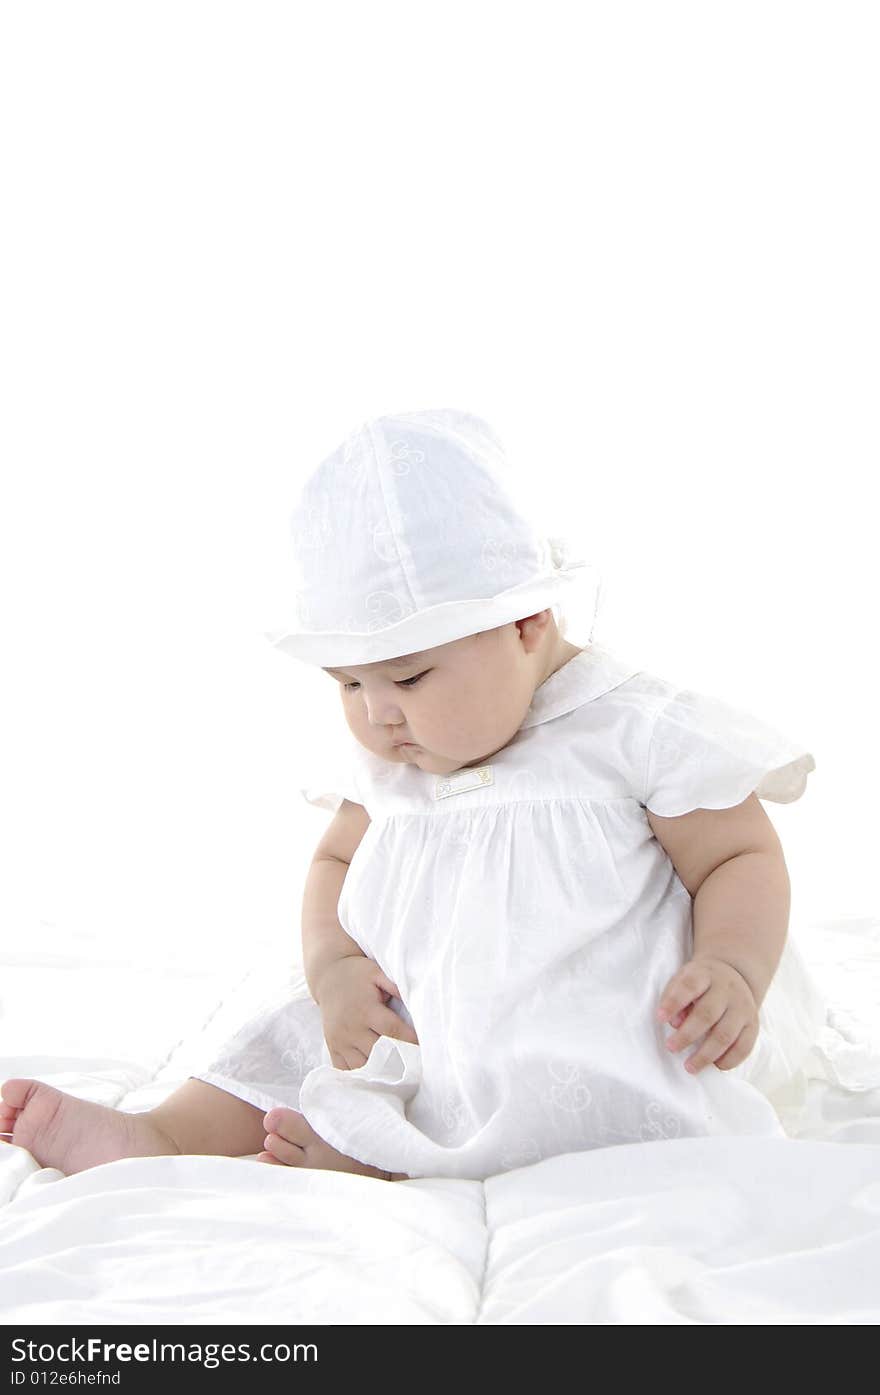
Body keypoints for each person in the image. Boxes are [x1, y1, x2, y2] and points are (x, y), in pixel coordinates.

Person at [0, 408, 823, 1182]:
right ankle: (170, 1133)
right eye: (348, 683)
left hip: (569, 1010)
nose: (376, 712)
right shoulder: (391, 759)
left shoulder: (638, 729)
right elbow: (333, 858)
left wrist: (732, 966)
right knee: (289, 1024)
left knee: (566, 1054)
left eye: (408, 675)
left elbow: (738, 855)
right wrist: (333, 969)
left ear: (527, 622)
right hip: (409, 1008)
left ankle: (392, 1152)